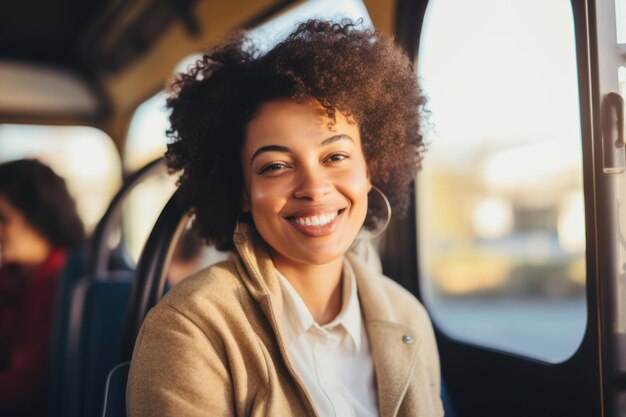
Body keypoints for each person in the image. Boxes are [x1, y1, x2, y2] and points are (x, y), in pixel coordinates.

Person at [127, 20, 443, 417]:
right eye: (276, 166)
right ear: (240, 190)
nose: (313, 187)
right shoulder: (189, 327)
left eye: (336, 157)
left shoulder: (408, 317)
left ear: (370, 170)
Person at [0, 159, 85, 416]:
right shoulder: (11, 279)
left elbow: (32, 385)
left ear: (36, 216)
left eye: (3, 218)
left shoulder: (69, 285)